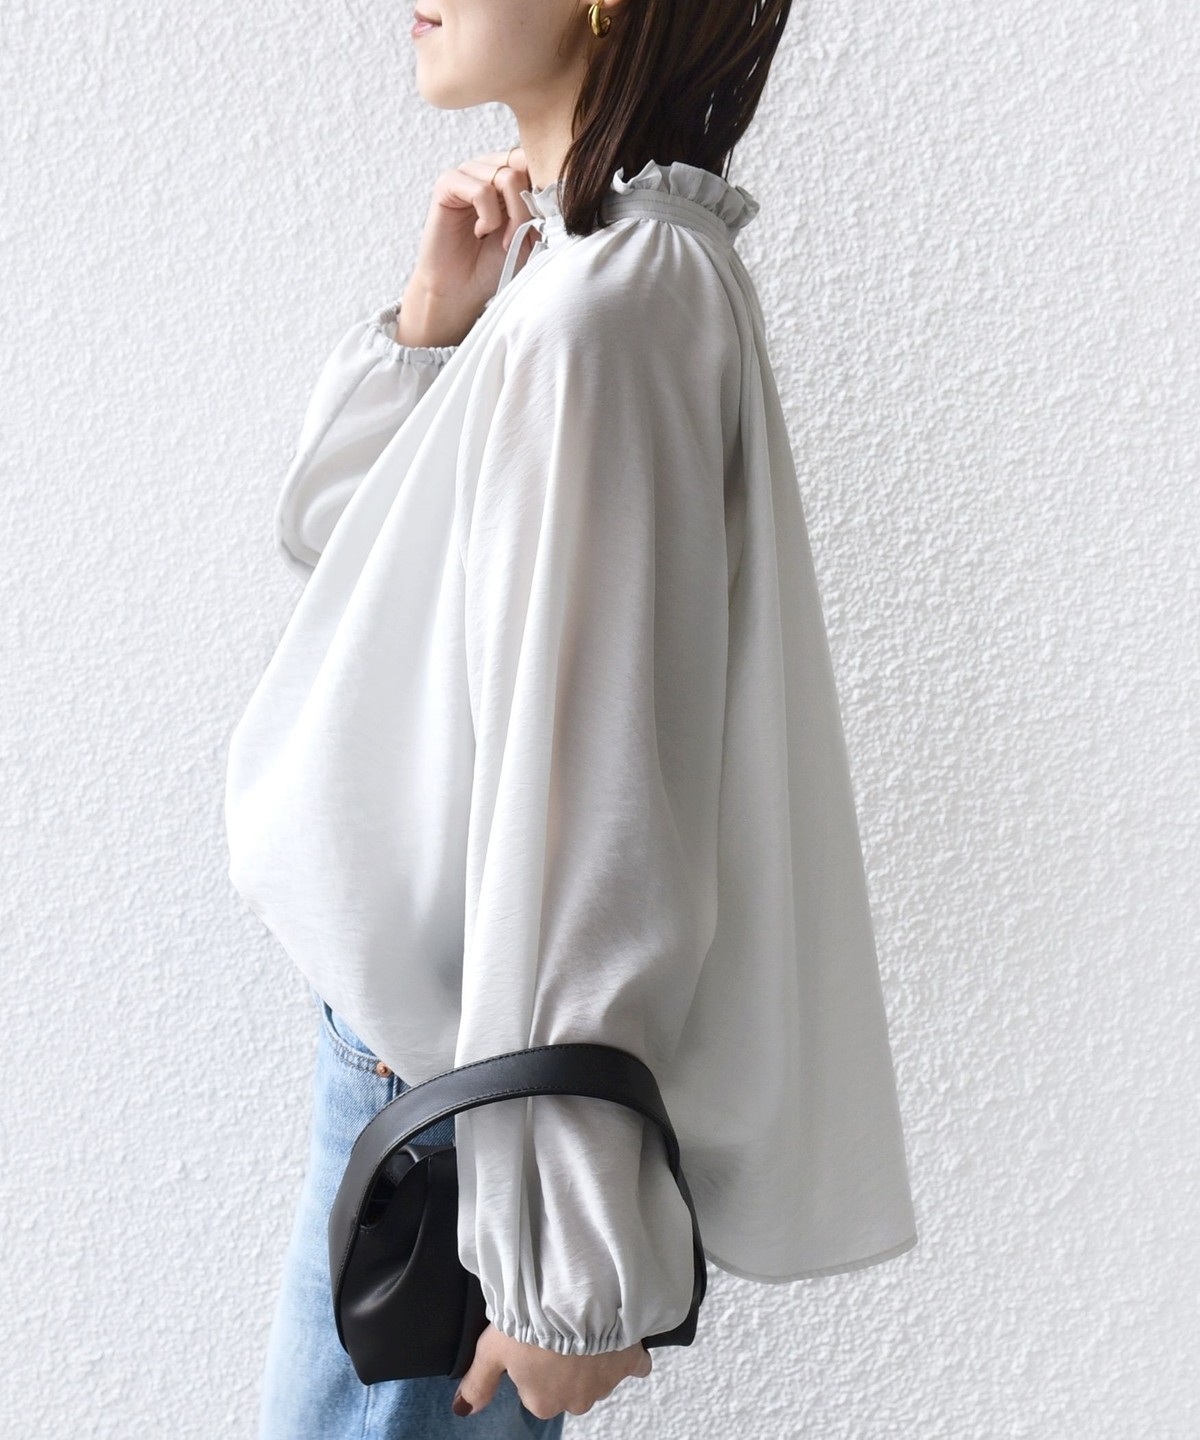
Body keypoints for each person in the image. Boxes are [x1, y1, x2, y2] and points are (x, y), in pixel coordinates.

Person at [225, 0, 919, 1433]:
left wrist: (560, 1272)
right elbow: (364, 582)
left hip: (452, 1125)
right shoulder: (585, 273)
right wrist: (436, 331)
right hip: (422, 1094)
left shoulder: (608, 310)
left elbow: (598, 796)